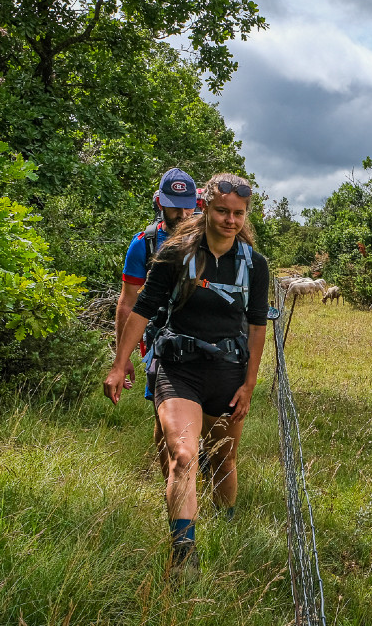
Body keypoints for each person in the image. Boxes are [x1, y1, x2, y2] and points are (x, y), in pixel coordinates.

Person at [105, 173, 268, 575]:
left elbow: (257, 326)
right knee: (182, 455)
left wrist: (249, 384)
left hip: (228, 372)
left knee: (224, 457)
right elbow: (142, 308)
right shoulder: (174, 254)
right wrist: (119, 361)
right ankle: (183, 555)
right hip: (178, 369)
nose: (230, 220)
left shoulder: (254, 265)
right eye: (222, 211)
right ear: (206, 207)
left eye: (238, 214)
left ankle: (227, 524)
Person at [116, 168, 201, 465]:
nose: (181, 212)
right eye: (173, 205)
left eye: (187, 204)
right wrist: (122, 356)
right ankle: (174, 480)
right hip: (160, 341)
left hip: (207, 337)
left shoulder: (212, 237)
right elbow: (128, 301)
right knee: (165, 416)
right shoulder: (145, 243)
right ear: (159, 202)